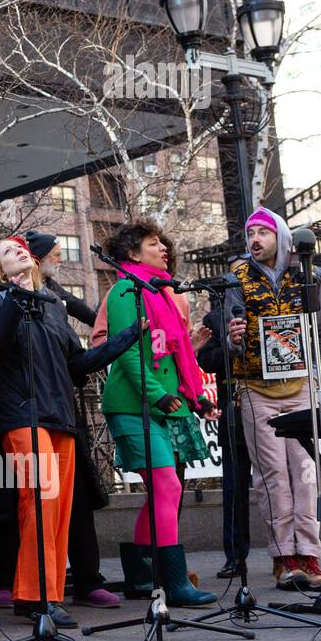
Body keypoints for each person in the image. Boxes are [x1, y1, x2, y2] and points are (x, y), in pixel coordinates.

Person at [0, 236, 138, 628]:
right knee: (40, 501)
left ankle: (43, 595)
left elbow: (78, 362)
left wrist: (128, 336)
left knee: (60, 508)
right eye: (7, 250)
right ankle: (36, 596)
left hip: (59, 414)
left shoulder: (50, 306)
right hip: (20, 414)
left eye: (22, 249)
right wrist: (17, 295)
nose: (18, 251)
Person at [99, 220, 220, 607]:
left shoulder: (164, 293)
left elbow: (175, 353)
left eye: (163, 244)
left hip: (164, 404)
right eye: (154, 244)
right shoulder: (125, 292)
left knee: (161, 491)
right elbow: (129, 352)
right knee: (167, 487)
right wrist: (157, 395)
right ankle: (174, 581)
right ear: (133, 254)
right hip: (133, 405)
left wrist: (195, 395)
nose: (163, 249)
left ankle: (140, 576)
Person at [226, 206, 321, 590]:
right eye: (249, 234)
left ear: (280, 236)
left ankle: (311, 555)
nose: (254, 240)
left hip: (300, 386)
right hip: (256, 389)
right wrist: (233, 339)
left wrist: (317, 377)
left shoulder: (309, 274)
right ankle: (284, 557)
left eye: (262, 233)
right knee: (273, 477)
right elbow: (228, 339)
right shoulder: (235, 278)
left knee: (305, 474)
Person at [197, 299, 251, 579]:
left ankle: (293, 555)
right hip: (236, 408)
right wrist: (230, 344)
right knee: (235, 486)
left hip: (276, 402)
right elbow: (205, 360)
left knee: (282, 481)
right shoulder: (216, 317)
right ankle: (235, 555)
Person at [25, 230, 96, 327]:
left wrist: (100, 324)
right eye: (56, 255)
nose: (60, 260)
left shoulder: (51, 286)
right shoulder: (22, 286)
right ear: (40, 258)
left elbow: (75, 304)